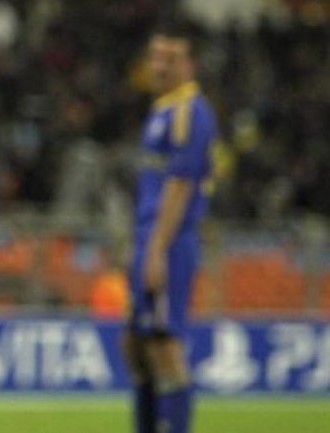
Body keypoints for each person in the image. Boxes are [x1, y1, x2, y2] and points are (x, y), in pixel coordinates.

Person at [122, 23, 217, 433]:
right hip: (150, 239)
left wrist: (157, 249)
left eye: (171, 58)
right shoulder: (161, 109)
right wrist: (140, 244)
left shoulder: (189, 112)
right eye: (156, 57)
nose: (160, 66)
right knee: (137, 347)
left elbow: (180, 186)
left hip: (171, 242)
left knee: (164, 346)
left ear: (190, 63)